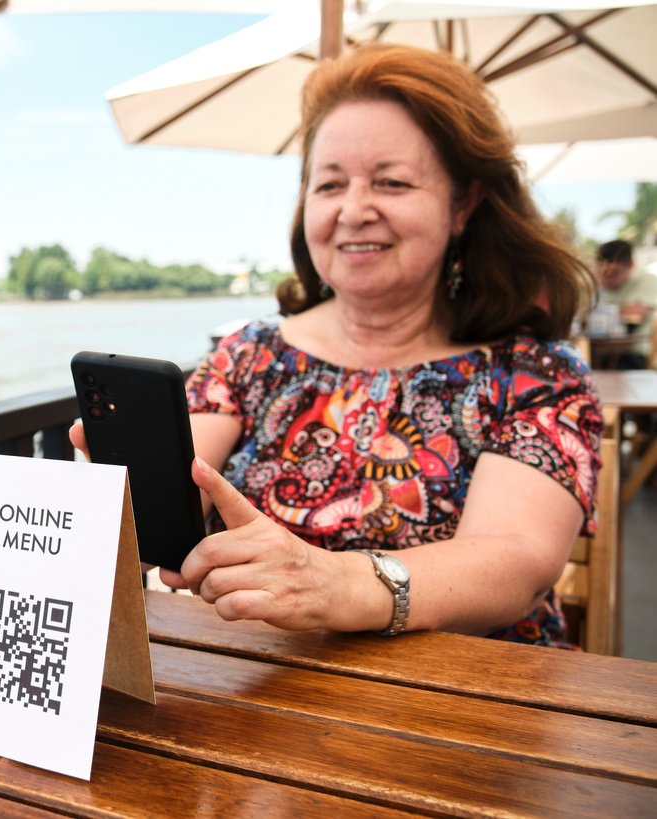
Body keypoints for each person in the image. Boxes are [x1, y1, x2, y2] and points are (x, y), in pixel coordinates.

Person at [74, 44, 602, 648]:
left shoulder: (536, 374)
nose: (354, 210)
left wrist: (337, 584)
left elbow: (518, 561)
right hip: (262, 692)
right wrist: (133, 500)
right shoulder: (252, 354)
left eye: (391, 182)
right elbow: (182, 486)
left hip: (478, 702)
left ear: (464, 204)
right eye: (329, 184)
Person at [595, 239, 657, 368]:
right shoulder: (595, 285)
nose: (607, 278)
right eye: (603, 273)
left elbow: (636, 313)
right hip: (597, 350)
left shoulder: (646, 280)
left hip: (632, 354)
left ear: (631, 265)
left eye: (614, 273)